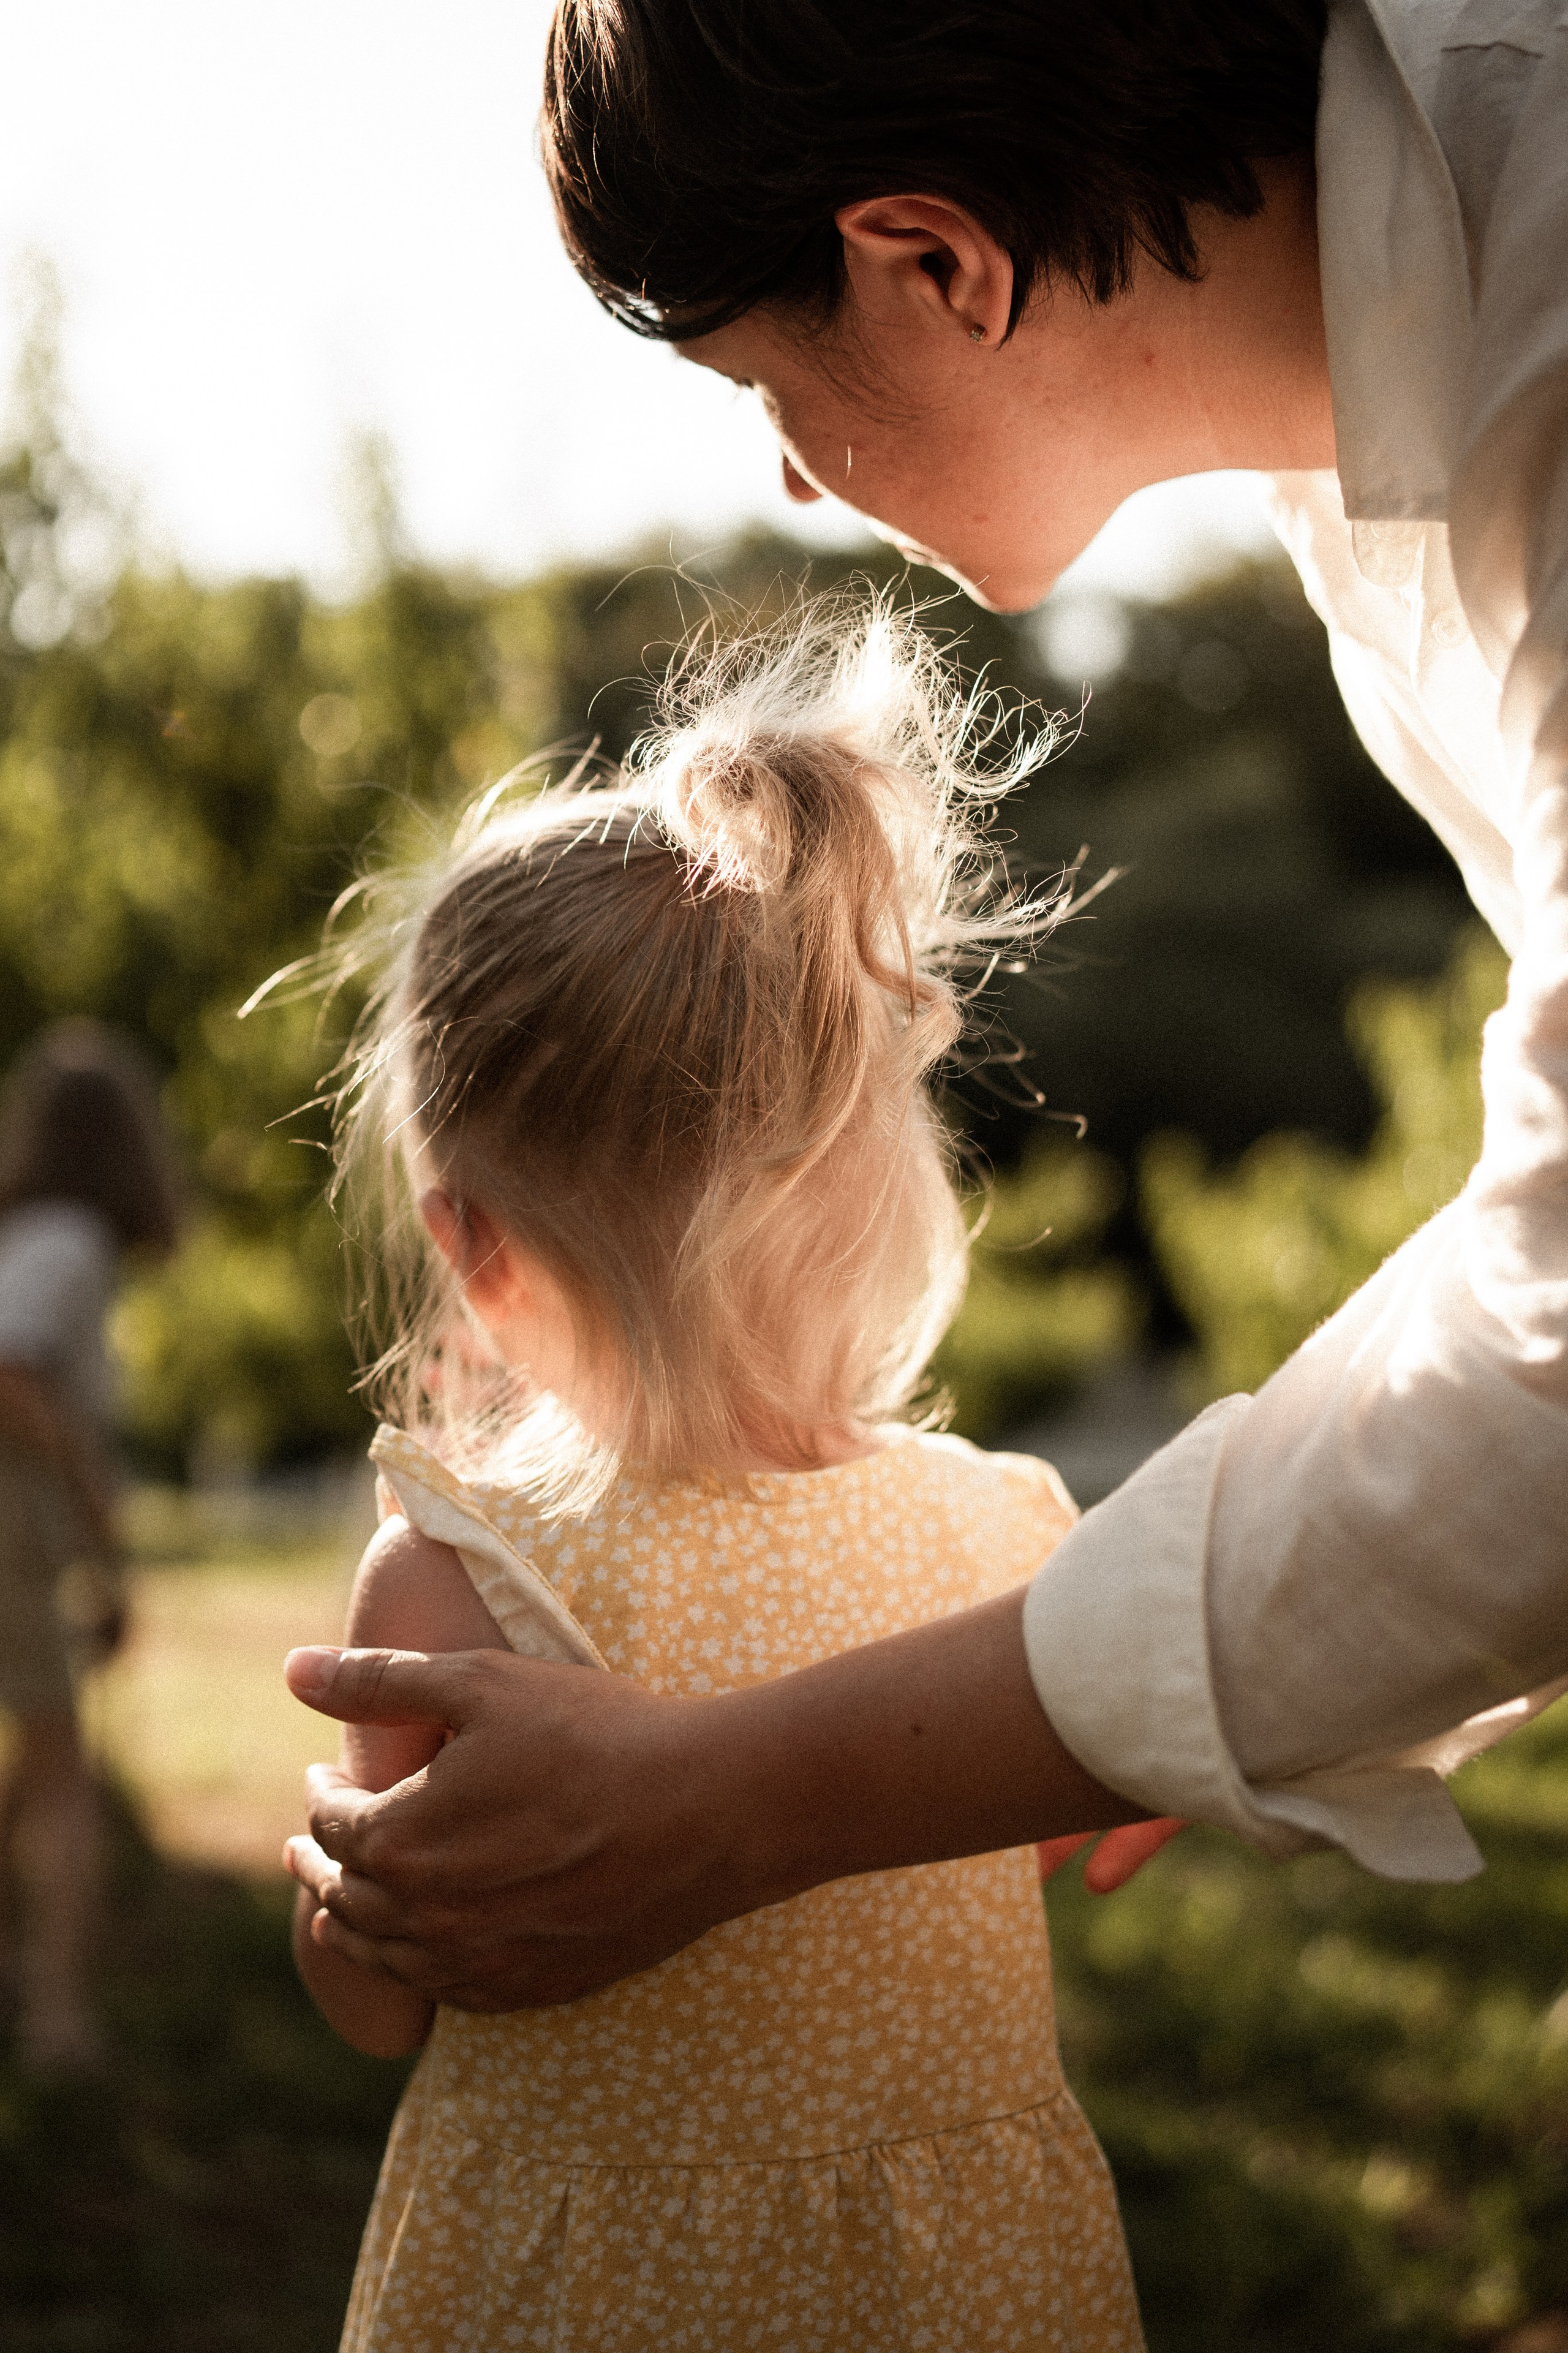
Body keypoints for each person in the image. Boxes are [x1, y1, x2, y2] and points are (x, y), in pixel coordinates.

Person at [284, 0, 1568, 2008]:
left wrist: (785, 1787)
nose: (792, 482)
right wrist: (1166, 1655)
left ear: (934, 262)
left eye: (760, 385)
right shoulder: (1391, 466)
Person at [291, 608, 1145, 2349]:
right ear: (874, 1153)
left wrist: (334, 1896)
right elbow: (1059, 1828)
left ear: (470, 1239)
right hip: (965, 2285)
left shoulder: (460, 1579)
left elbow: (382, 2001)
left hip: (578, 2294)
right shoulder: (1015, 1532)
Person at [0, 1021, 183, 2072]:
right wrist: (92, 1494)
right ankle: (56, 2019)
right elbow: (12, 1367)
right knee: (63, 1772)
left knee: (34, 1766)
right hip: (18, 1527)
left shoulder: (41, 1234)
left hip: (31, 1535)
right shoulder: (66, 1239)